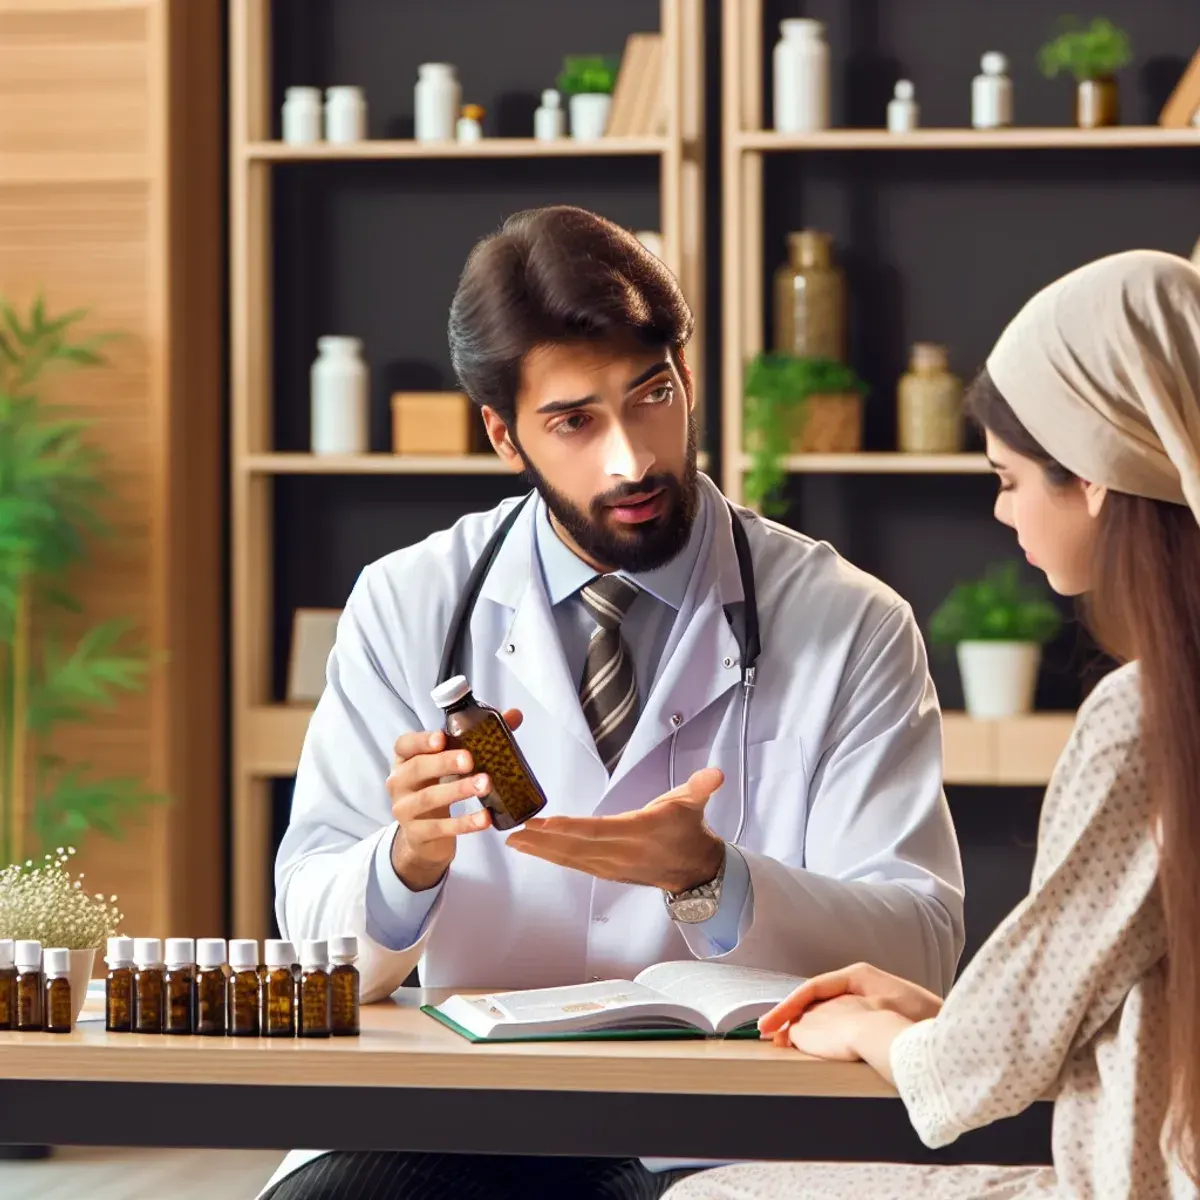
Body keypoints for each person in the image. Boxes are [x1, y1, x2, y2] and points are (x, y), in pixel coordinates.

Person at [261, 205, 965, 1200]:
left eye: (651, 396)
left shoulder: (849, 621)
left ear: (687, 381)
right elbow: (312, 948)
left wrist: (715, 878)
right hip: (471, 1124)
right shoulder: (407, 602)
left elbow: (921, 945)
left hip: (736, 1122)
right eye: (574, 421)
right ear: (503, 434)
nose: (630, 459)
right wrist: (406, 860)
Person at [664, 247, 1200, 1200]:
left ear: (1093, 476)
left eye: (1008, 477)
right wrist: (940, 1017)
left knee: (710, 1195)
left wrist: (872, 1029)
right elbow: (1079, 1010)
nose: (1000, 509)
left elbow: (979, 1074)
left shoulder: (1151, 719)